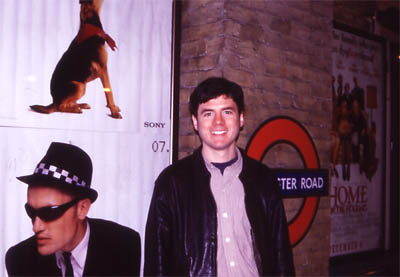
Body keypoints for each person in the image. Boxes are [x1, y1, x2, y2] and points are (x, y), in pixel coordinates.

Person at [144, 77, 295, 276]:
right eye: (208, 114)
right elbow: (157, 263)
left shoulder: (264, 180)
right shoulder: (172, 183)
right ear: (195, 122)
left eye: (227, 112)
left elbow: (281, 256)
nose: (218, 122)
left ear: (241, 118)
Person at [5, 142, 141, 276]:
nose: (36, 227)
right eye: (31, 212)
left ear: (82, 208)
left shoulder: (123, 247)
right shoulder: (19, 260)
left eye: (49, 212)